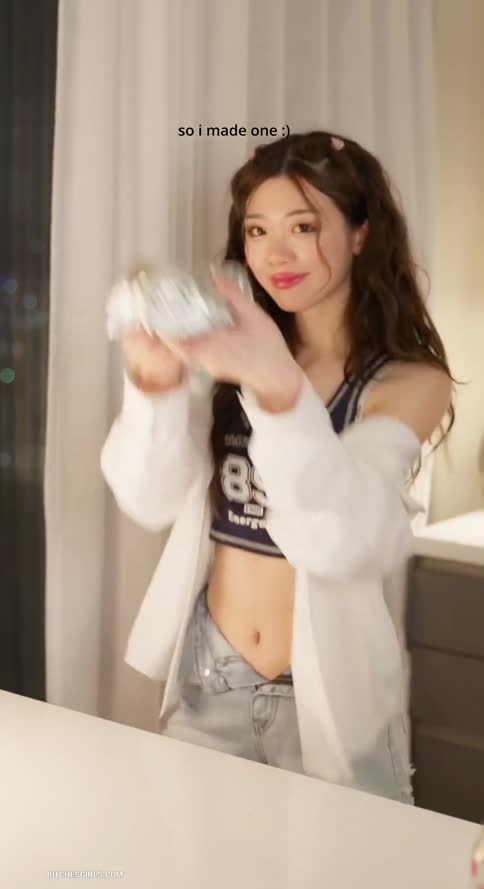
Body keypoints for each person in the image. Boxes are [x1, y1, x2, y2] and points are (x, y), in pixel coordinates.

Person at [101, 129, 455, 804]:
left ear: (361, 233)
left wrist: (277, 387)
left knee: (340, 858)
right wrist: (153, 387)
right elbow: (149, 500)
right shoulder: (232, 354)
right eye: (258, 230)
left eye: (303, 226)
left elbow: (342, 540)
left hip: (327, 698)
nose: (276, 254)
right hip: (211, 677)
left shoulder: (408, 381)